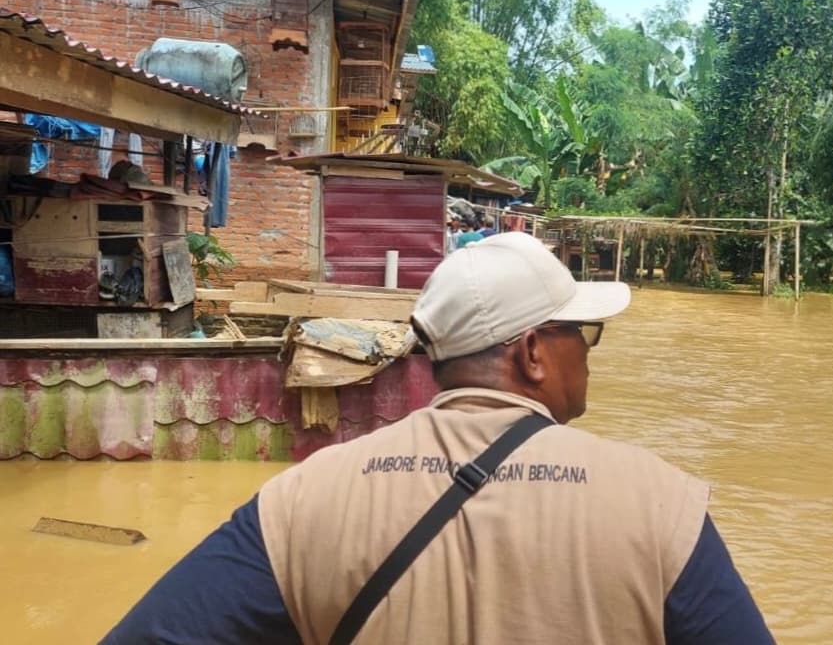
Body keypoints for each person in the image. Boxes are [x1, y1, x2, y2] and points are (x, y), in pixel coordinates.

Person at [101, 232, 774, 645]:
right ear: (533, 353)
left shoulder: (301, 501)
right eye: (583, 333)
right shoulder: (660, 508)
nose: (591, 354)